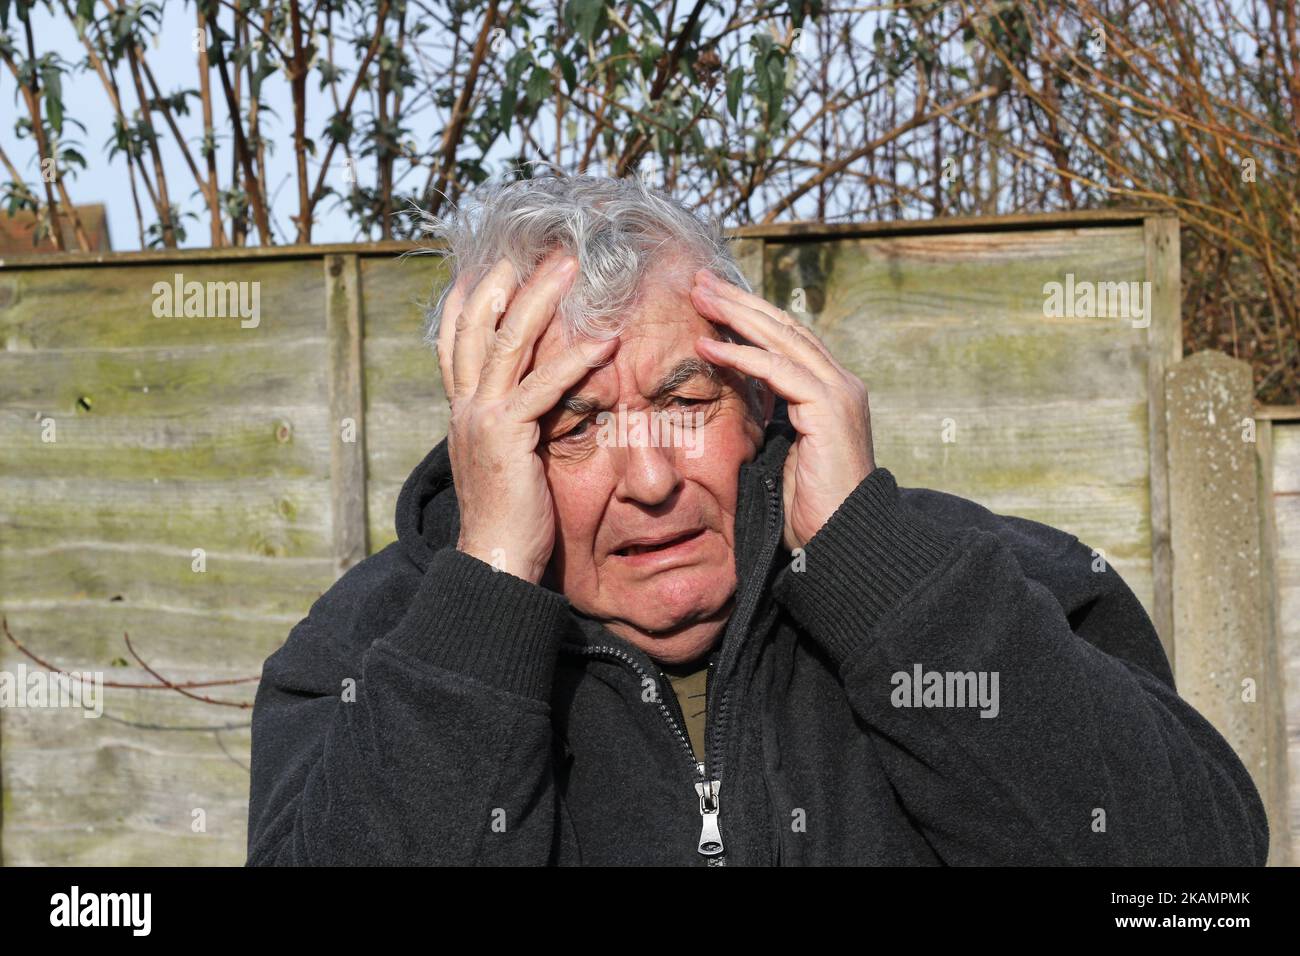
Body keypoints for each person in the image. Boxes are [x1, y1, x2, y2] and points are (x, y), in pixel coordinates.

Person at [246, 174, 1268, 866]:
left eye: (687, 402)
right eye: (573, 425)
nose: (648, 477)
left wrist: (878, 570)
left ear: (763, 400)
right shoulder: (360, 653)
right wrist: (487, 600)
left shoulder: (989, 580)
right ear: (487, 448)